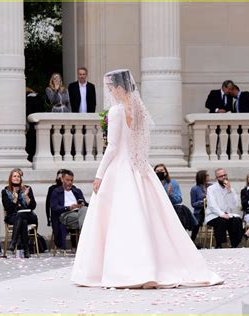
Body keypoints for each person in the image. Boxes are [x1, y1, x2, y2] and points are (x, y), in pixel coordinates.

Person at [72, 69, 223, 288]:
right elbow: (139, 145)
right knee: (150, 217)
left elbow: (113, 147)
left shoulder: (115, 112)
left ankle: (121, 269)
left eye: (112, 88)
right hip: (140, 168)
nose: (110, 92)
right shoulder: (139, 110)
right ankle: (153, 264)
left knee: (118, 219)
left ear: (121, 88)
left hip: (119, 169)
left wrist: (99, 175)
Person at [1, 169, 38, 258]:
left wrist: (26, 197)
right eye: (14, 176)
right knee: (23, 221)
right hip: (13, 216)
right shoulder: (5, 191)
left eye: (18, 176)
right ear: (10, 178)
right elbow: (8, 209)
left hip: (29, 215)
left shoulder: (27, 189)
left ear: (21, 179)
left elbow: (33, 206)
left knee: (21, 215)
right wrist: (14, 200)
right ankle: (26, 250)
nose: (16, 178)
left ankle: (13, 242)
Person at [205, 168, 243, 248]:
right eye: (221, 176)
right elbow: (212, 205)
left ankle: (235, 244)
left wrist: (229, 191)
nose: (224, 177)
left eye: (225, 175)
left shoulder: (231, 189)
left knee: (237, 220)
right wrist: (221, 214)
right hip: (214, 215)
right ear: (217, 178)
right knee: (221, 221)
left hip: (227, 214)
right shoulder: (211, 189)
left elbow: (233, 205)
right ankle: (221, 244)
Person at [50, 169, 88, 250]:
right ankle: (86, 240)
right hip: (65, 214)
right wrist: (69, 207)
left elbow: (85, 203)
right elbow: (54, 207)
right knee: (88, 219)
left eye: (71, 180)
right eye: (67, 180)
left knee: (84, 209)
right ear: (62, 179)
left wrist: (81, 204)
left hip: (79, 213)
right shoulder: (56, 192)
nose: (70, 182)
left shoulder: (77, 191)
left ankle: (84, 236)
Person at [154, 164, 197, 232]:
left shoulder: (172, 183)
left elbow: (179, 199)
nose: (159, 172)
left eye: (161, 170)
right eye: (157, 171)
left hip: (172, 209)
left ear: (165, 172)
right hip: (157, 209)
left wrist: (171, 194)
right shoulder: (153, 184)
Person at [189, 170, 210, 243]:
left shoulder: (211, 186)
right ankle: (192, 240)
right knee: (197, 222)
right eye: (206, 175)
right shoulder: (195, 189)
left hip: (211, 209)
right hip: (200, 211)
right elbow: (193, 203)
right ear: (202, 177)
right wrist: (202, 202)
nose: (208, 177)